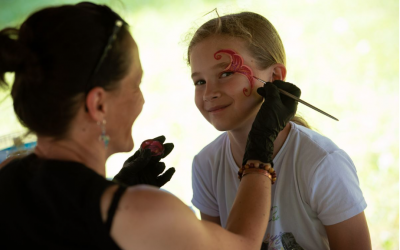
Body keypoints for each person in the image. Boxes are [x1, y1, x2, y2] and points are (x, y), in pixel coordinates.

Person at [0, 2, 299, 249]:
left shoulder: (9, 175)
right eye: (134, 85)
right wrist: (259, 150)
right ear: (99, 104)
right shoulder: (144, 212)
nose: (141, 100)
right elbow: (242, 245)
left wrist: (115, 188)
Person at [187, 11, 371, 250]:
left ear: (274, 77)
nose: (208, 92)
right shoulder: (206, 165)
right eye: (199, 81)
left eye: (226, 73)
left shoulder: (322, 164)